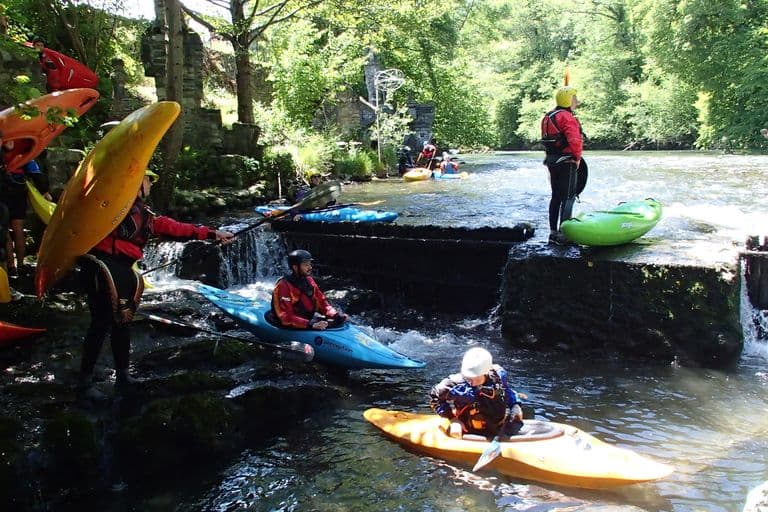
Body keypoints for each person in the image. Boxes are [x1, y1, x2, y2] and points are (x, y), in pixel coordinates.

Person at [76, 169, 235, 401]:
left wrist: (212, 234)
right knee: (100, 323)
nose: (150, 184)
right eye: (148, 179)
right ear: (137, 181)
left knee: (122, 323)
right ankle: (84, 383)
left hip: (121, 268)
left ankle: (123, 376)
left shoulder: (143, 212)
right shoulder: (110, 203)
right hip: (101, 265)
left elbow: (172, 227)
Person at [429, 347, 524, 439]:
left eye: (477, 378)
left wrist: (515, 405)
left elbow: (507, 391)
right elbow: (435, 396)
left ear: (486, 372)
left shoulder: (498, 375)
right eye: (469, 377)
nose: (472, 382)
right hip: (469, 430)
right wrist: (452, 419)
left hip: (499, 427)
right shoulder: (455, 384)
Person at [541, 85, 584, 245]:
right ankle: (564, 234)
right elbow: (574, 140)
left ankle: (553, 233)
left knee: (556, 196)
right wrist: (577, 158)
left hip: (552, 161)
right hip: (567, 161)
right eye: (574, 98)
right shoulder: (567, 117)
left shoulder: (548, 116)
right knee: (568, 197)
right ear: (568, 100)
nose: (577, 102)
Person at [0, 150, 52, 276]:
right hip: (17, 189)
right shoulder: (23, 149)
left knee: (5, 230)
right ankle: (20, 264)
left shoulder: (4, 152)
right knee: (17, 229)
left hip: (4, 192)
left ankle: (12, 266)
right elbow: (34, 171)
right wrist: (44, 190)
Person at [271, 249, 349, 330]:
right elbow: (286, 317)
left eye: (310, 264)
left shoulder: (309, 280)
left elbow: (322, 302)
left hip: (306, 321)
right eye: (306, 265)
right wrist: (311, 324)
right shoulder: (283, 285)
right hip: (288, 325)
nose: (310, 267)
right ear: (295, 267)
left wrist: (335, 315)